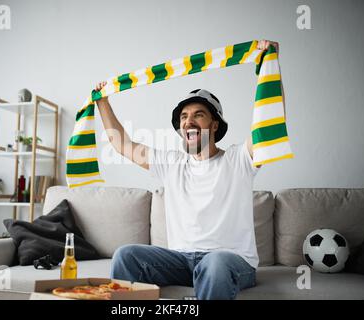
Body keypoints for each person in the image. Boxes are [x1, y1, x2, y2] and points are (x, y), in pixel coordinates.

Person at [95, 40, 283, 300]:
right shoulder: (172, 164)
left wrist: (269, 66)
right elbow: (122, 144)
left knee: (214, 263)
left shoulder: (239, 160)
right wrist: (102, 101)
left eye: (198, 115)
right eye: (184, 117)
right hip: (181, 262)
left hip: (230, 263)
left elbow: (268, 126)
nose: (189, 121)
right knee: (126, 256)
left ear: (215, 125)